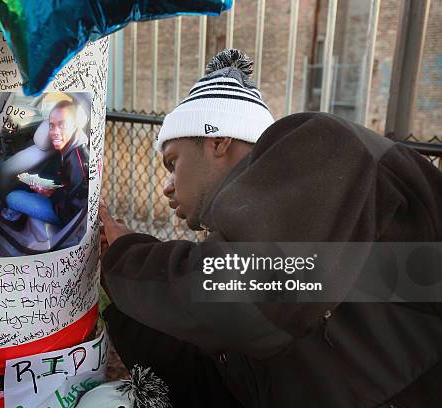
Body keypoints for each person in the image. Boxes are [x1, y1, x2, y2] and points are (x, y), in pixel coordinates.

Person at [99, 49, 442, 407]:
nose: (168, 185)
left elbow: (251, 298)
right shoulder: (257, 255)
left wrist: (130, 256)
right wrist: (117, 290)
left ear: (217, 140)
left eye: (173, 162)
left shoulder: (322, 145)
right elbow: (215, 386)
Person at [3, 100, 89, 227]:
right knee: (22, 186)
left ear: (75, 126)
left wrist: (52, 194)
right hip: (61, 202)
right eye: (51, 125)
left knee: (12, 198)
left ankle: (13, 223)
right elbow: (68, 186)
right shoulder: (69, 149)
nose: (55, 131)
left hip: (63, 215)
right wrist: (51, 189)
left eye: (62, 125)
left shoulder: (79, 162)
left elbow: (73, 212)